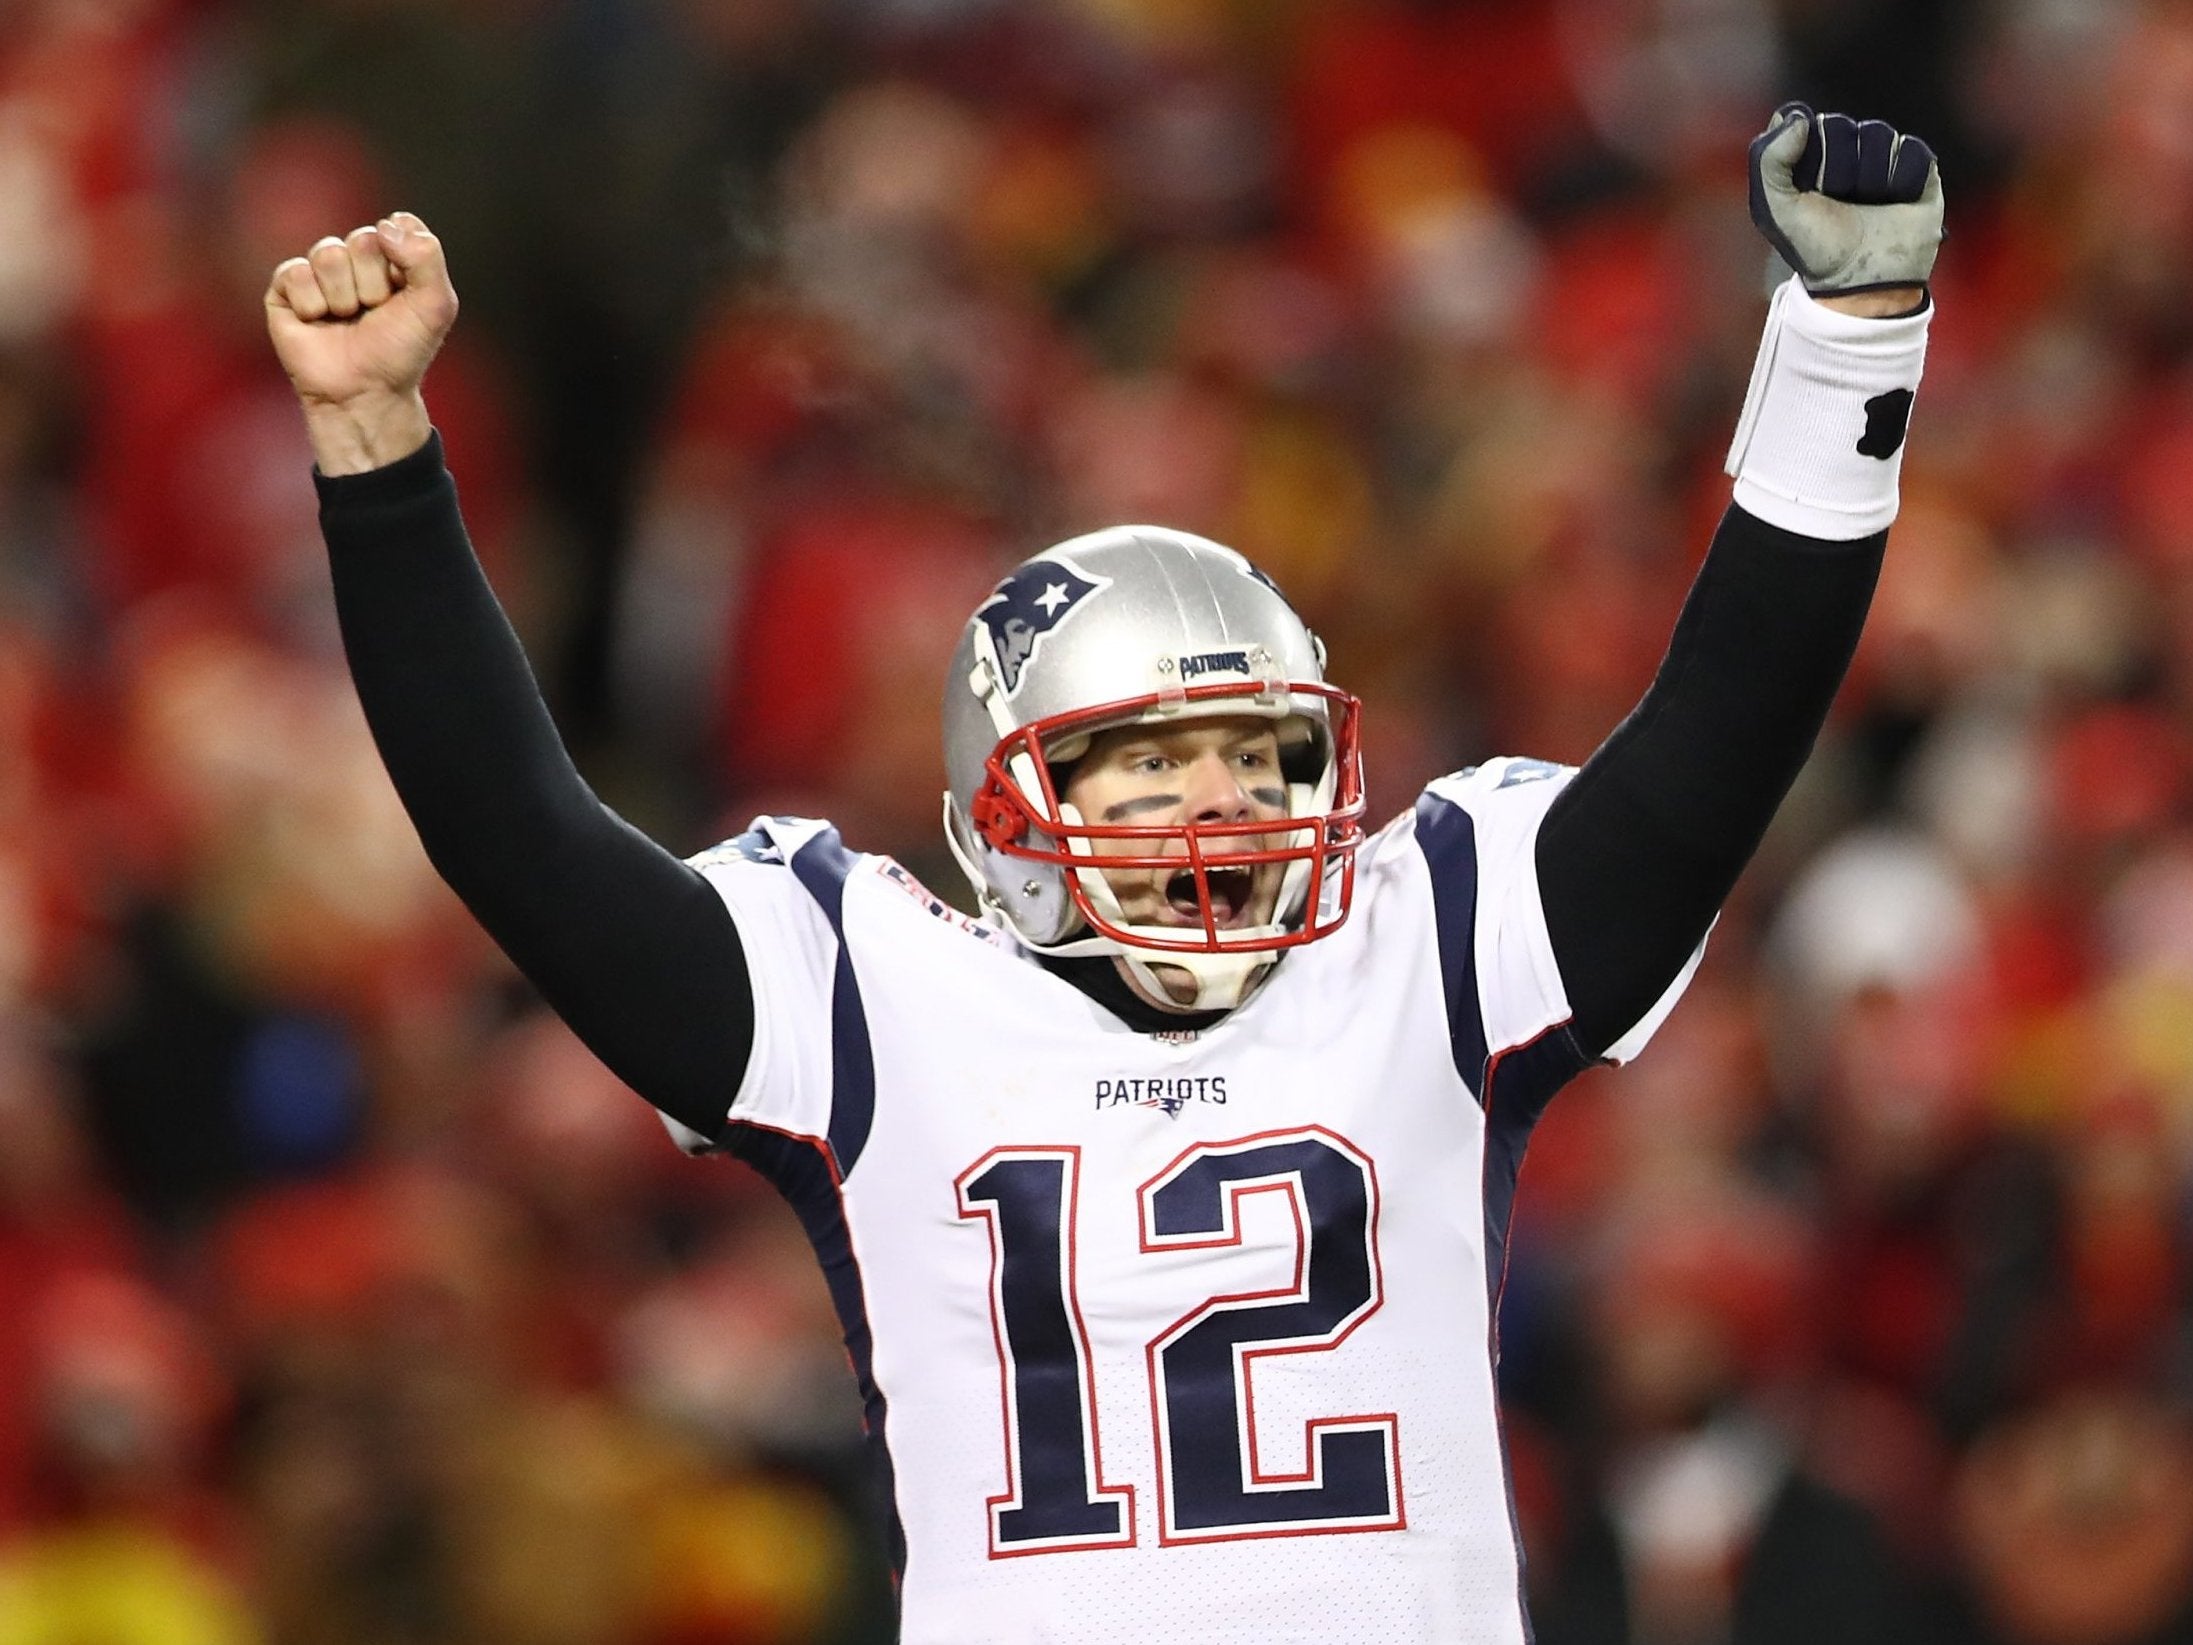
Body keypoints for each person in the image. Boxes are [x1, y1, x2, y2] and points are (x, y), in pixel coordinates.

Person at [266, 104, 1943, 1645]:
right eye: (1147, 763)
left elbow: (1716, 745)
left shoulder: (1419, 944)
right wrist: (377, 452)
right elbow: (526, 843)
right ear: (1006, 808)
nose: (1219, 806)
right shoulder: (875, 995)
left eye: (1262, 759)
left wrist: (1840, 348)